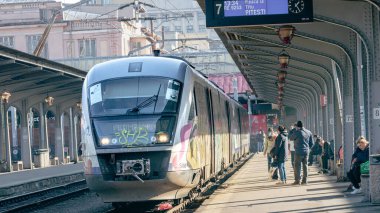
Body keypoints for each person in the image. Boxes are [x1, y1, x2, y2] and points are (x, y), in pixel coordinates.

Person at [289, 121, 314, 185]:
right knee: (305, 166)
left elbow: (291, 138)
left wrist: (294, 130)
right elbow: (312, 143)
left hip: (298, 152)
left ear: (297, 126)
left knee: (297, 166)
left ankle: (297, 180)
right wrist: (308, 148)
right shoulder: (309, 132)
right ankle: (305, 180)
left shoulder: (297, 132)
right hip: (306, 152)